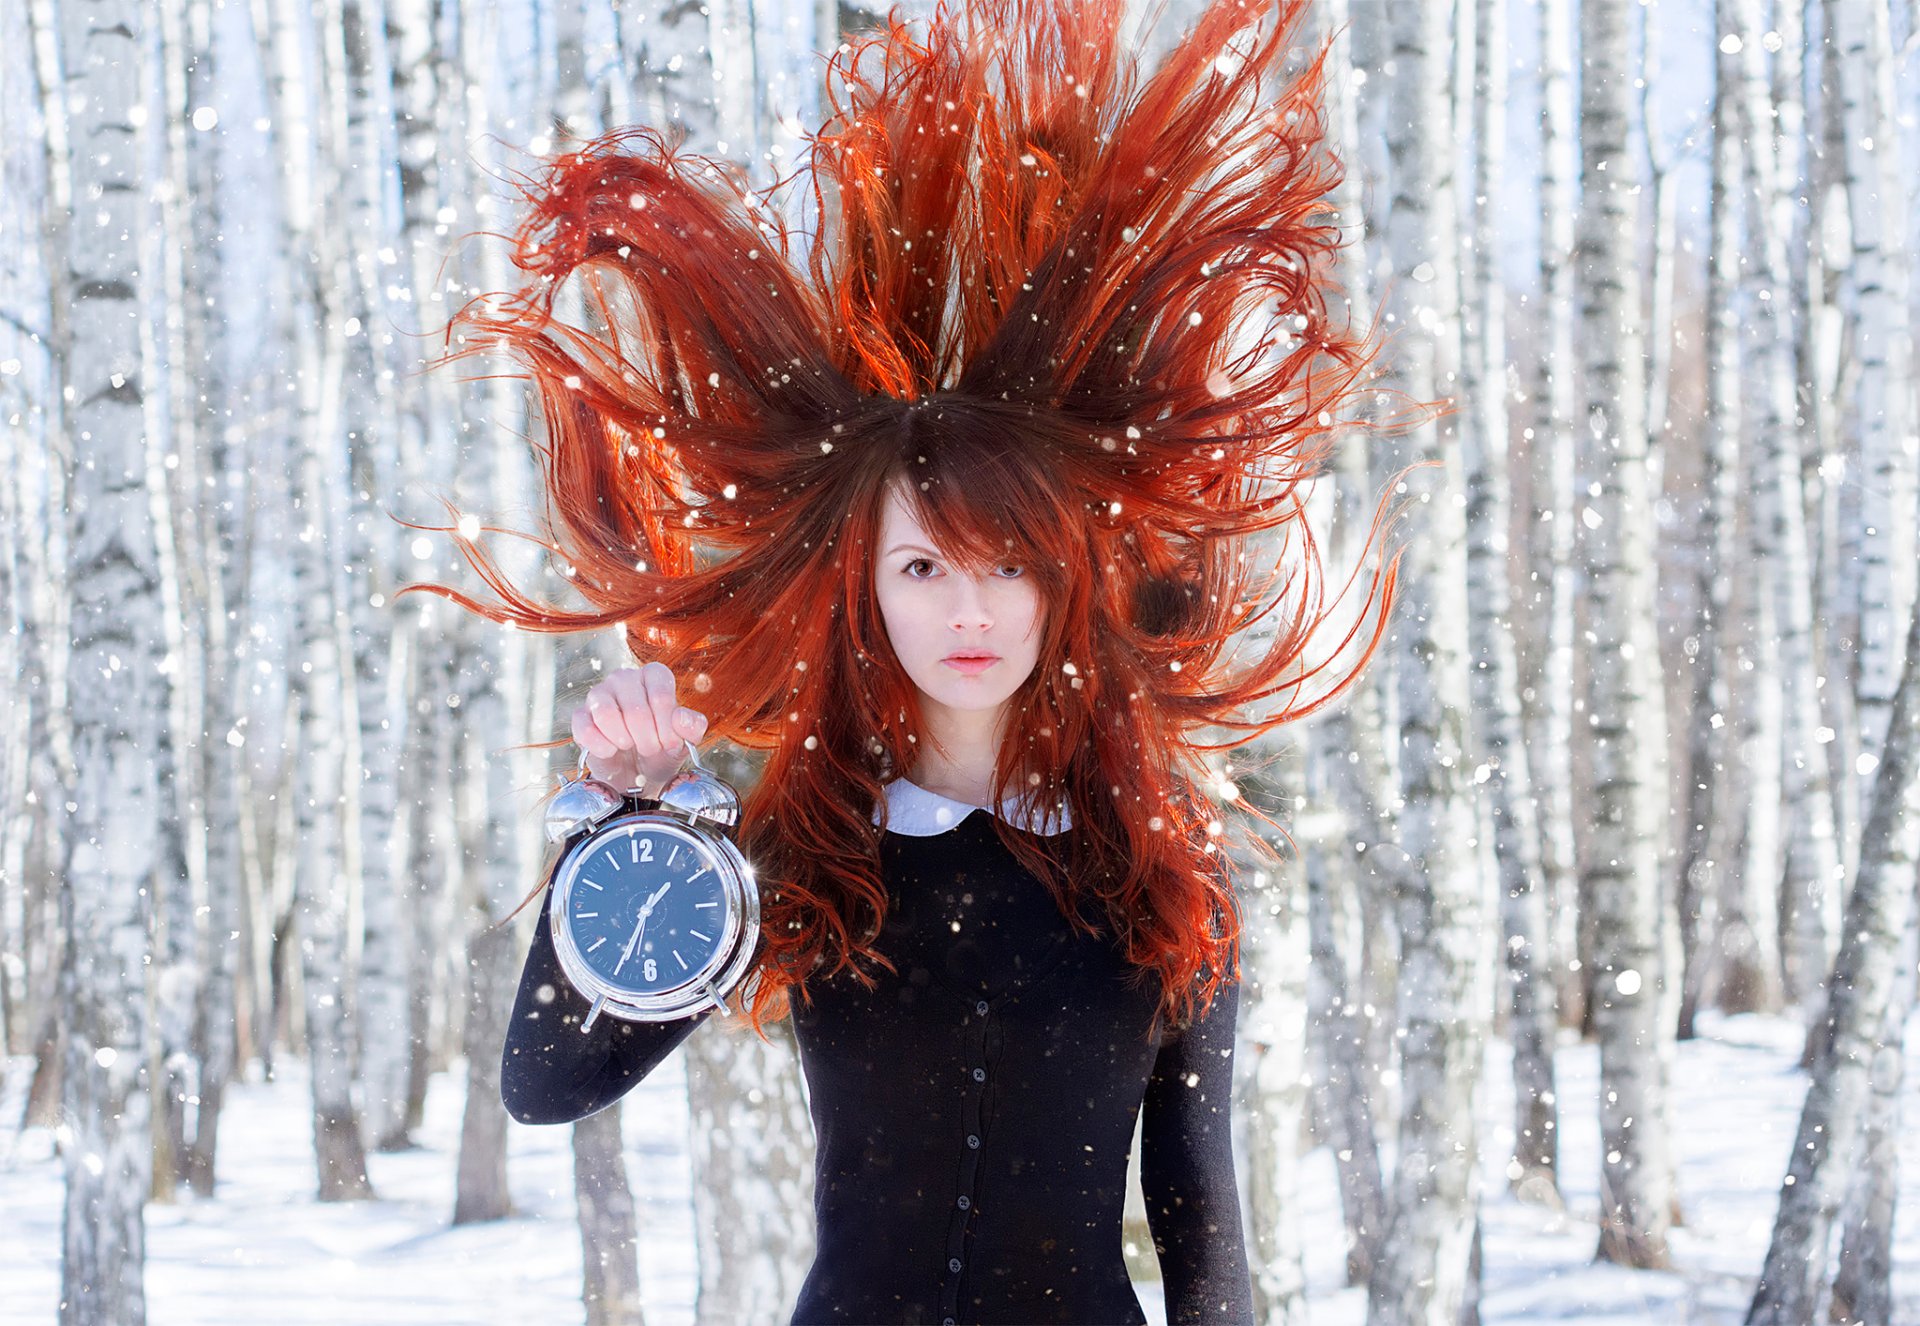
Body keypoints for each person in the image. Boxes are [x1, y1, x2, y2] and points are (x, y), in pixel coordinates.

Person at [413, 0, 1416, 1319]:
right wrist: (629, 834)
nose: (970, 608)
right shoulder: (800, 854)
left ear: (1065, 583)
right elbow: (548, 1080)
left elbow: (1200, 1222)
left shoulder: (1163, 875)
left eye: (1008, 563)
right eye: (924, 566)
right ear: (867, 594)